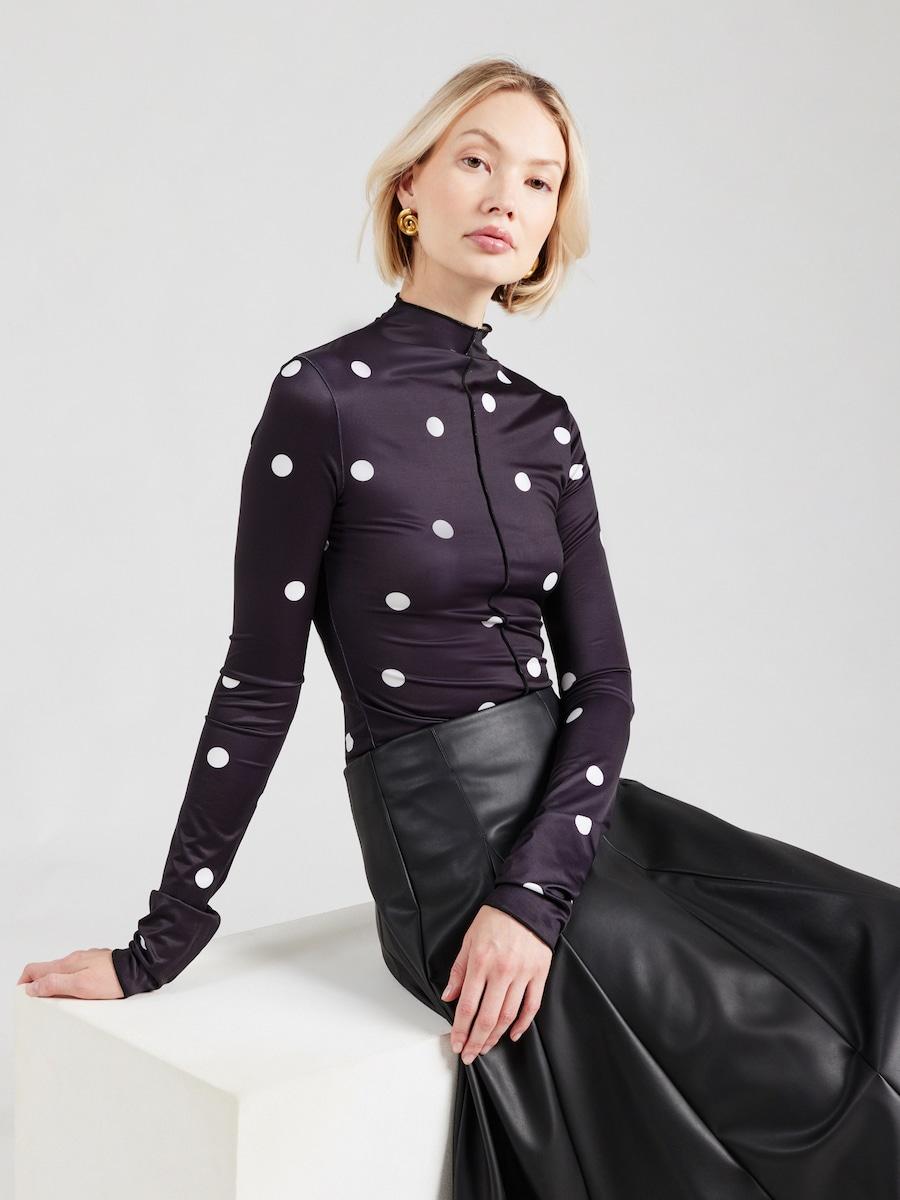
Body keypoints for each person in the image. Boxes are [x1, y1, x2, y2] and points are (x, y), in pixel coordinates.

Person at [19, 57, 900, 1199]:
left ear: (549, 226)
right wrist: (161, 942)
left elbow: (606, 684)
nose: (504, 197)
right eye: (477, 161)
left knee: (865, 952)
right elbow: (259, 683)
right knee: (765, 1040)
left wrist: (541, 885)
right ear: (410, 189)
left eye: (539, 181)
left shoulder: (548, 425)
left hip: (574, 825)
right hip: (447, 845)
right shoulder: (321, 399)